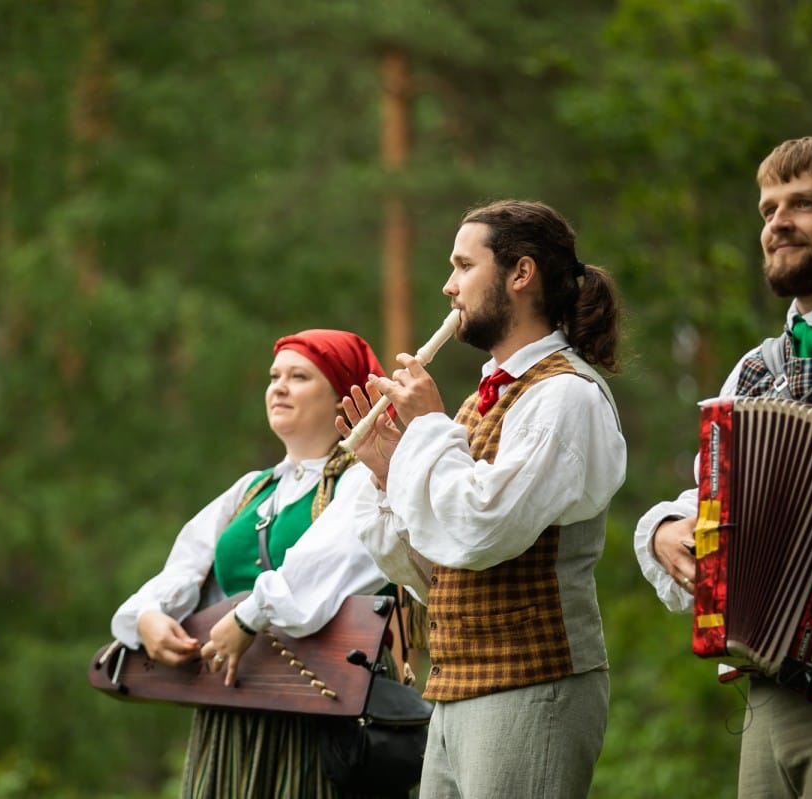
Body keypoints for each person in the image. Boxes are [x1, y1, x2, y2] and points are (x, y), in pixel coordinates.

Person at [339, 199, 626, 798]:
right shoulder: (479, 402)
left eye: (464, 266)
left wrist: (426, 428)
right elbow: (437, 573)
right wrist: (390, 476)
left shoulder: (564, 395)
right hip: (457, 688)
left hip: (535, 684)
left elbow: (480, 531)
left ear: (521, 274)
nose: (449, 287)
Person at [634, 134, 812, 796]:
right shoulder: (756, 369)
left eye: (804, 204)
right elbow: (711, 497)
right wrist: (665, 531)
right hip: (765, 698)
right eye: (768, 209)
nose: (778, 223)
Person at [110, 328, 400, 798]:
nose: (279, 387)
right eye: (274, 376)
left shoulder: (367, 480)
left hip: (325, 704)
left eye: (299, 376)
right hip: (235, 701)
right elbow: (184, 567)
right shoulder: (252, 489)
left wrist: (248, 617)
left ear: (343, 398)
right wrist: (148, 616)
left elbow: (329, 561)